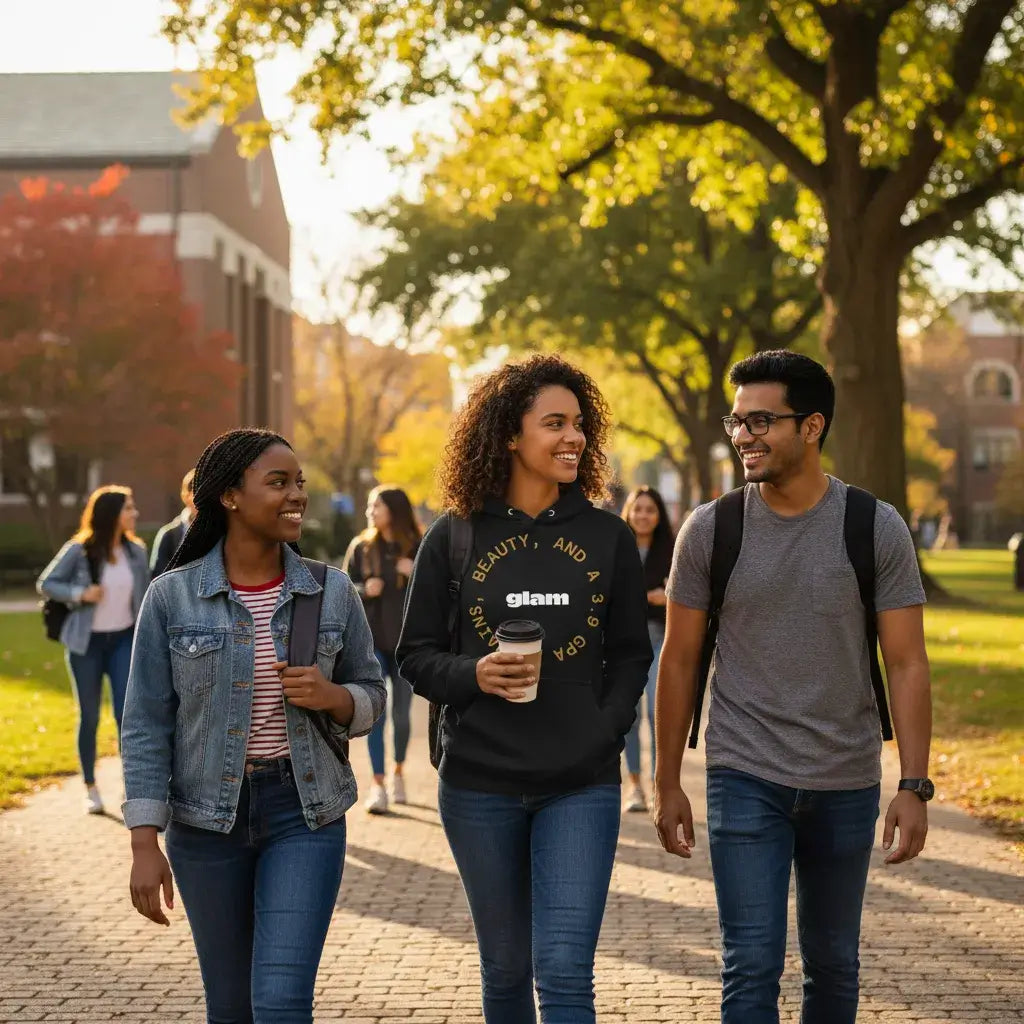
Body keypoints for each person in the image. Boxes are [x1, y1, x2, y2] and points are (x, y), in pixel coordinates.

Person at [654, 350, 932, 1024]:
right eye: (736, 421)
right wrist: (666, 781)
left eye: (761, 420)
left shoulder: (874, 526)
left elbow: (907, 663)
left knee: (834, 964)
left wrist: (913, 784)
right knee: (750, 963)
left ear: (812, 426)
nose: (744, 435)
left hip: (846, 777)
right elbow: (680, 659)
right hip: (744, 772)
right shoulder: (711, 529)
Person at [397, 354, 652, 1023]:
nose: (574, 438)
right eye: (555, 423)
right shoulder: (453, 536)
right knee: (505, 971)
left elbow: (630, 655)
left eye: (580, 425)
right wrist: (472, 674)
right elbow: (415, 657)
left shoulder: (608, 537)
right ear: (511, 435)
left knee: (565, 972)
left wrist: (605, 731)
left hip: (581, 783)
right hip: (479, 785)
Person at [120, 428, 385, 1024]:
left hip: (305, 813)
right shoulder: (172, 598)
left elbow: (374, 694)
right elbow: (144, 723)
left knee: (281, 1002)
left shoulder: (328, 591)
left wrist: (333, 696)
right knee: (232, 1008)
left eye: (300, 484)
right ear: (230, 496)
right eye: (279, 482)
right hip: (204, 822)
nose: (297, 495)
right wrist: (144, 841)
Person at [37, 485, 149, 815]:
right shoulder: (79, 549)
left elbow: (144, 598)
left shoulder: (137, 553)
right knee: (89, 715)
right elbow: (47, 583)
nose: (134, 513)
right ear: (112, 514)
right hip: (86, 644)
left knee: (125, 716)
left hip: (124, 641)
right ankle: (90, 786)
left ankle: (132, 787)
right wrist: (81, 593)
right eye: (129, 508)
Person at [342, 485, 422, 814]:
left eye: (378, 505)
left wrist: (415, 572)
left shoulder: (419, 547)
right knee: (375, 716)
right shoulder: (361, 547)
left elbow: (443, 590)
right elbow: (343, 590)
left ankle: (398, 772)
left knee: (401, 717)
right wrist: (364, 588)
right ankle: (377, 784)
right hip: (370, 645)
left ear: (394, 509)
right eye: (371, 504)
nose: (371, 510)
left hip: (407, 646)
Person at [620, 485, 674, 812]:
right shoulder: (616, 546)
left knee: (658, 714)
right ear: (628, 511)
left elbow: (681, 596)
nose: (643, 515)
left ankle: (659, 787)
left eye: (650, 510)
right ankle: (635, 786)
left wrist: (667, 598)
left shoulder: (673, 549)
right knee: (629, 715)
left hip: (660, 640)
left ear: (659, 515)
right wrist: (651, 597)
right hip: (624, 643)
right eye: (637, 509)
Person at [150, 468, 196, 577]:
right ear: (187, 496)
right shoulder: (169, 535)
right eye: (199, 493)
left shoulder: (222, 531)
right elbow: (159, 575)